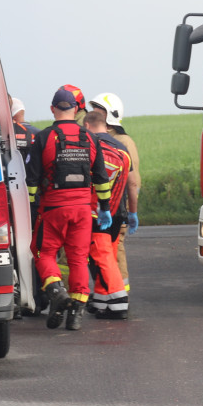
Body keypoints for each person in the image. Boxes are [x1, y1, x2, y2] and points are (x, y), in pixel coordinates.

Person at [26, 87, 113, 331]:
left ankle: (56, 291)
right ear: (76, 110)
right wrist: (104, 207)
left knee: (42, 252)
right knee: (78, 260)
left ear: (53, 109)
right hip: (84, 210)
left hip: (53, 207)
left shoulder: (43, 138)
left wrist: (33, 210)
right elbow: (101, 178)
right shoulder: (91, 138)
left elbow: (31, 180)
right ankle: (76, 313)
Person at [84, 110, 137, 319]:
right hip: (118, 214)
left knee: (102, 257)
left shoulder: (90, 146)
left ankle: (118, 303)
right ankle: (101, 301)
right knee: (107, 257)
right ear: (106, 125)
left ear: (87, 126)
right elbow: (132, 184)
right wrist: (133, 213)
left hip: (97, 213)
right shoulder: (122, 148)